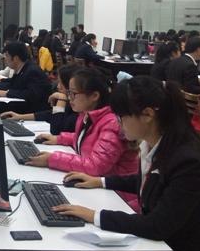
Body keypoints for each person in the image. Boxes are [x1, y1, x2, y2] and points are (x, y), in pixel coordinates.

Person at [53, 76, 200, 251]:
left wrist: (94, 215)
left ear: (147, 114)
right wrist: (101, 182)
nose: (118, 124)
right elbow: (150, 182)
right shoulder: (158, 143)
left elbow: (156, 226)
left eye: (122, 117)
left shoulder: (189, 161)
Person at [25, 67, 139, 208]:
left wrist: (52, 159)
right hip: (101, 189)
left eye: (73, 94)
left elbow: (96, 166)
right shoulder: (87, 114)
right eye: (68, 93)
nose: (69, 98)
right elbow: (88, 139)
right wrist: (60, 139)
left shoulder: (111, 123)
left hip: (120, 199)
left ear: (94, 96)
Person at [1, 64, 80, 135]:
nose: (58, 86)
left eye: (60, 83)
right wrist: (20, 116)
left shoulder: (77, 110)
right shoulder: (68, 104)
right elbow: (50, 114)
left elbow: (55, 129)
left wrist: (61, 100)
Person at [0, 42, 51, 112]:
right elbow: (13, 83)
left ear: (16, 58)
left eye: (7, 56)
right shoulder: (22, 68)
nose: (5, 59)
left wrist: (6, 93)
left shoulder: (32, 71)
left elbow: (30, 94)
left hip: (34, 110)